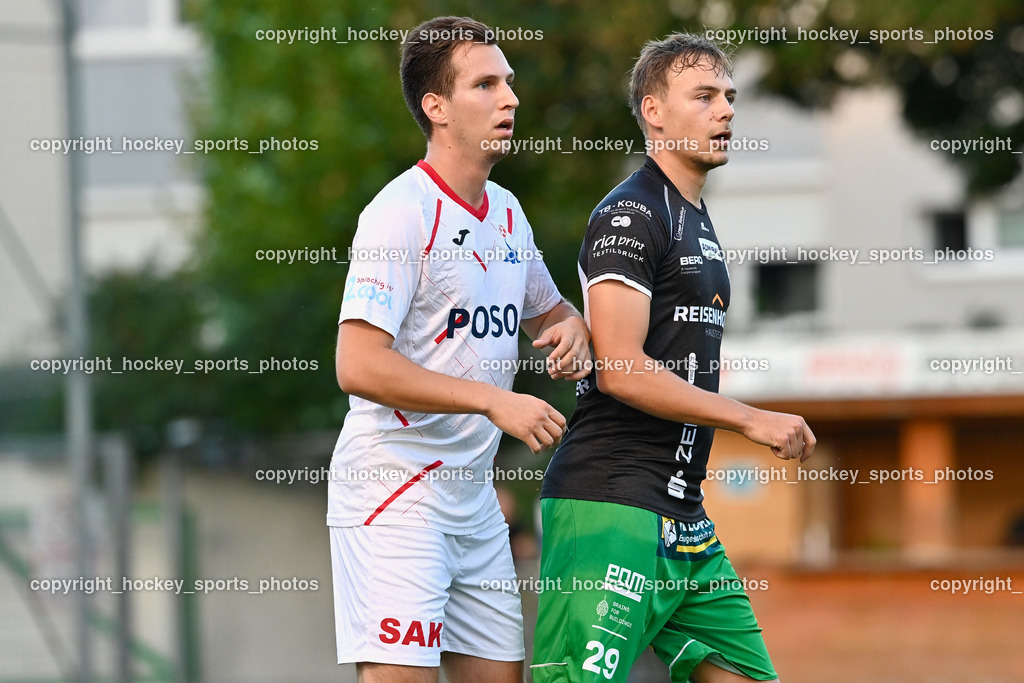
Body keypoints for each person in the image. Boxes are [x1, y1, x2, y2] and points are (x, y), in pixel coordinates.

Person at [532, 33, 816, 682]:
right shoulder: (629, 213)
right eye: (705, 96)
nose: (727, 111)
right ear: (654, 111)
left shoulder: (701, 222)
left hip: (686, 519)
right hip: (612, 506)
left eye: (730, 97)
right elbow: (621, 367)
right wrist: (750, 418)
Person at [327, 15, 590, 683]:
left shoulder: (506, 210)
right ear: (436, 107)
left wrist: (575, 328)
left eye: (508, 82)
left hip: (472, 499)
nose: (511, 98)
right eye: (485, 84)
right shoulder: (400, 212)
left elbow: (549, 314)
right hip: (394, 490)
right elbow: (356, 364)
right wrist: (491, 400)